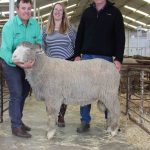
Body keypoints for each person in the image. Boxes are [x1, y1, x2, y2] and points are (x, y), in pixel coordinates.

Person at [74, 0, 125, 133]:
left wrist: (119, 58)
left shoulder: (115, 13)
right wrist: (77, 54)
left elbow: (120, 36)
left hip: (105, 59)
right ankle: (85, 121)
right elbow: (80, 34)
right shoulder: (87, 12)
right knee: (84, 90)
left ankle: (111, 121)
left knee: (107, 91)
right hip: (87, 57)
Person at [0, 0, 42, 138]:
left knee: (24, 92)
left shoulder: (34, 24)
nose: (27, 11)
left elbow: (39, 43)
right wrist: (19, 63)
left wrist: (35, 56)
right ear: (17, 9)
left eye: (29, 8)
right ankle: (16, 126)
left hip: (27, 63)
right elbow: (5, 50)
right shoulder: (9, 26)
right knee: (16, 92)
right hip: (10, 62)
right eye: (23, 8)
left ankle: (19, 120)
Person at [42, 3, 76, 127]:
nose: (57, 12)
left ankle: (61, 116)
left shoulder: (70, 29)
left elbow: (75, 44)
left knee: (63, 92)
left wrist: (74, 60)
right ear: (52, 12)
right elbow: (43, 47)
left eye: (60, 10)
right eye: (55, 10)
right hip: (51, 65)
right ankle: (51, 115)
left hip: (66, 63)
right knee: (50, 91)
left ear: (63, 13)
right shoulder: (46, 29)